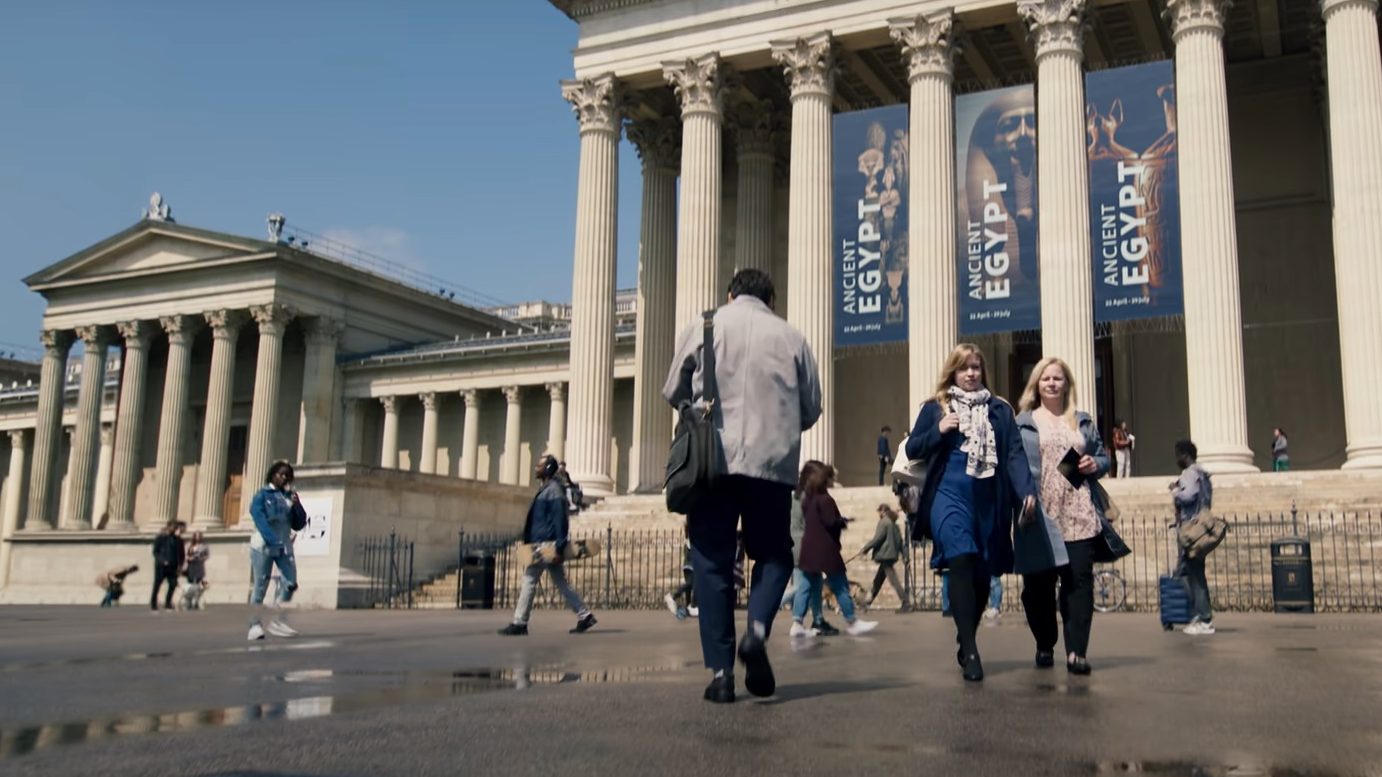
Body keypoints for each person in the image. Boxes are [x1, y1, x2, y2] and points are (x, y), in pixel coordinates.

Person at [663, 268, 822, 704]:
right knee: (774, 555)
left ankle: (720, 675)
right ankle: (756, 630)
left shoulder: (704, 324)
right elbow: (812, 407)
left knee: (711, 563)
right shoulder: (793, 337)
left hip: (712, 461)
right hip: (770, 465)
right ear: (772, 299)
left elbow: (674, 389)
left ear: (731, 294)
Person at [905, 343, 1036, 682]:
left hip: (988, 498)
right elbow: (913, 447)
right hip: (948, 496)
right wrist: (939, 430)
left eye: (976, 367)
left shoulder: (1000, 411)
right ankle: (973, 652)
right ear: (953, 372)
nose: (970, 374)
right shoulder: (935, 408)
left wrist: (1025, 492)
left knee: (982, 575)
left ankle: (965, 636)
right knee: (961, 558)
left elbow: (1014, 456)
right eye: (964, 368)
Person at [1014, 357, 1110, 675]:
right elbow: (1014, 464)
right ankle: (1045, 641)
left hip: (1078, 507)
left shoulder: (1080, 420)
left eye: (1058, 378)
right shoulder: (1025, 421)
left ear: (1067, 383)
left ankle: (1076, 652)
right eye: (1046, 378)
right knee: (1037, 588)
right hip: (1040, 512)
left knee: (1078, 583)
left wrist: (1096, 464)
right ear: (1036, 385)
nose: (1052, 383)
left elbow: (1101, 454)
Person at [499, 453, 597, 636]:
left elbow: (561, 520)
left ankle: (520, 622)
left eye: (540, 465)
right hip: (543, 543)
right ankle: (585, 616)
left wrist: (559, 547)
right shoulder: (547, 489)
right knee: (561, 583)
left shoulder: (554, 491)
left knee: (529, 580)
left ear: (549, 469)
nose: (536, 468)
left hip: (546, 545)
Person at [794, 461, 878, 636]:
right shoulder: (825, 499)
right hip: (826, 549)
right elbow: (830, 522)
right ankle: (851, 621)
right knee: (840, 585)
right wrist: (843, 521)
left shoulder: (808, 499)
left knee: (806, 586)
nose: (832, 480)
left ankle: (797, 623)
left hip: (809, 549)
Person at [247, 461, 307, 641]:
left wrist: (296, 505)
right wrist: (272, 540)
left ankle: (277, 620)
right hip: (264, 545)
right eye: (281, 474)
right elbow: (259, 518)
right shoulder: (263, 495)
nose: (284, 477)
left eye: (287, 475)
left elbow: (300, 522)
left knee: (290, 582)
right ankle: (254, 625)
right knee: (260, 587)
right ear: (273, 474)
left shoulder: (289, 496)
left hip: (284, 546)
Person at [1172, 440, 1215, 635]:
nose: (1177, 459)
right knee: (1194, 572)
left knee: (1188, 573)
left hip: (1190, 529)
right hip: (1201, 528)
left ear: (1185, 455)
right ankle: (1199, 616)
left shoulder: (1189, 474)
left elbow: (1188, 495)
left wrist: (1175, 490)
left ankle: (1202, 618)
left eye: (1178, 455)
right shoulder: (1204, 475)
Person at [784, 489, 837, 636]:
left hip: (794, 544)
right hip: (807, 544)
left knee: (815, 582)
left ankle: (818, 619)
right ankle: (797, 620)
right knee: (805, 585)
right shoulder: (808, 498)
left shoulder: (793, 497)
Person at [861, 504, 906, 611]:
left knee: (893, 580)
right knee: (878, 580)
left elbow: (877, 539)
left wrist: (865, 549)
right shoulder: (894, 524)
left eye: (879, 512)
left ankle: (906, 601)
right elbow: (900, 542)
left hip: (885, 555)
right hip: (891, 555)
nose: (878, 514)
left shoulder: (884, 522)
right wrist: (904, 556)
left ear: (882, 511)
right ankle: (868, 602)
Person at [150, 521, 185, 611]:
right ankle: (153, 603)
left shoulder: (178, 540)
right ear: (168, 527)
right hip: (161, 566)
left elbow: (181, 554)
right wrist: (162, 560)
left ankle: (168, 602)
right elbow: (155, 552)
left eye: (175, 527)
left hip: (173, 566)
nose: (174, 529)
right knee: (157, 584)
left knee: (173, 584)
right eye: (173, 527)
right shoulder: (160, 538)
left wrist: (180, 565)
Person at [664, 530, 697, 620]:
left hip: (687, 566)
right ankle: (673, 595)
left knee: (690, 587)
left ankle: (689, 606)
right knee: (692, 583)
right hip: (691, 566)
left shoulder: (688, 541)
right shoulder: (692, 540)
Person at [180, 531, 210, 611]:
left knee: (200, 584)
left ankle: (196, 601)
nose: (198, 538)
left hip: (199, 565)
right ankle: (188, 601)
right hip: (191, 565)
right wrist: (188, 558)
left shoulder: (205, 545)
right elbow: (185, 554)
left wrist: (201, 558)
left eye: (199, 536)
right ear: (194, 537)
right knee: (190, 584)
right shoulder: (189, 545)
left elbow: (207, 555)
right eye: (196, 536)